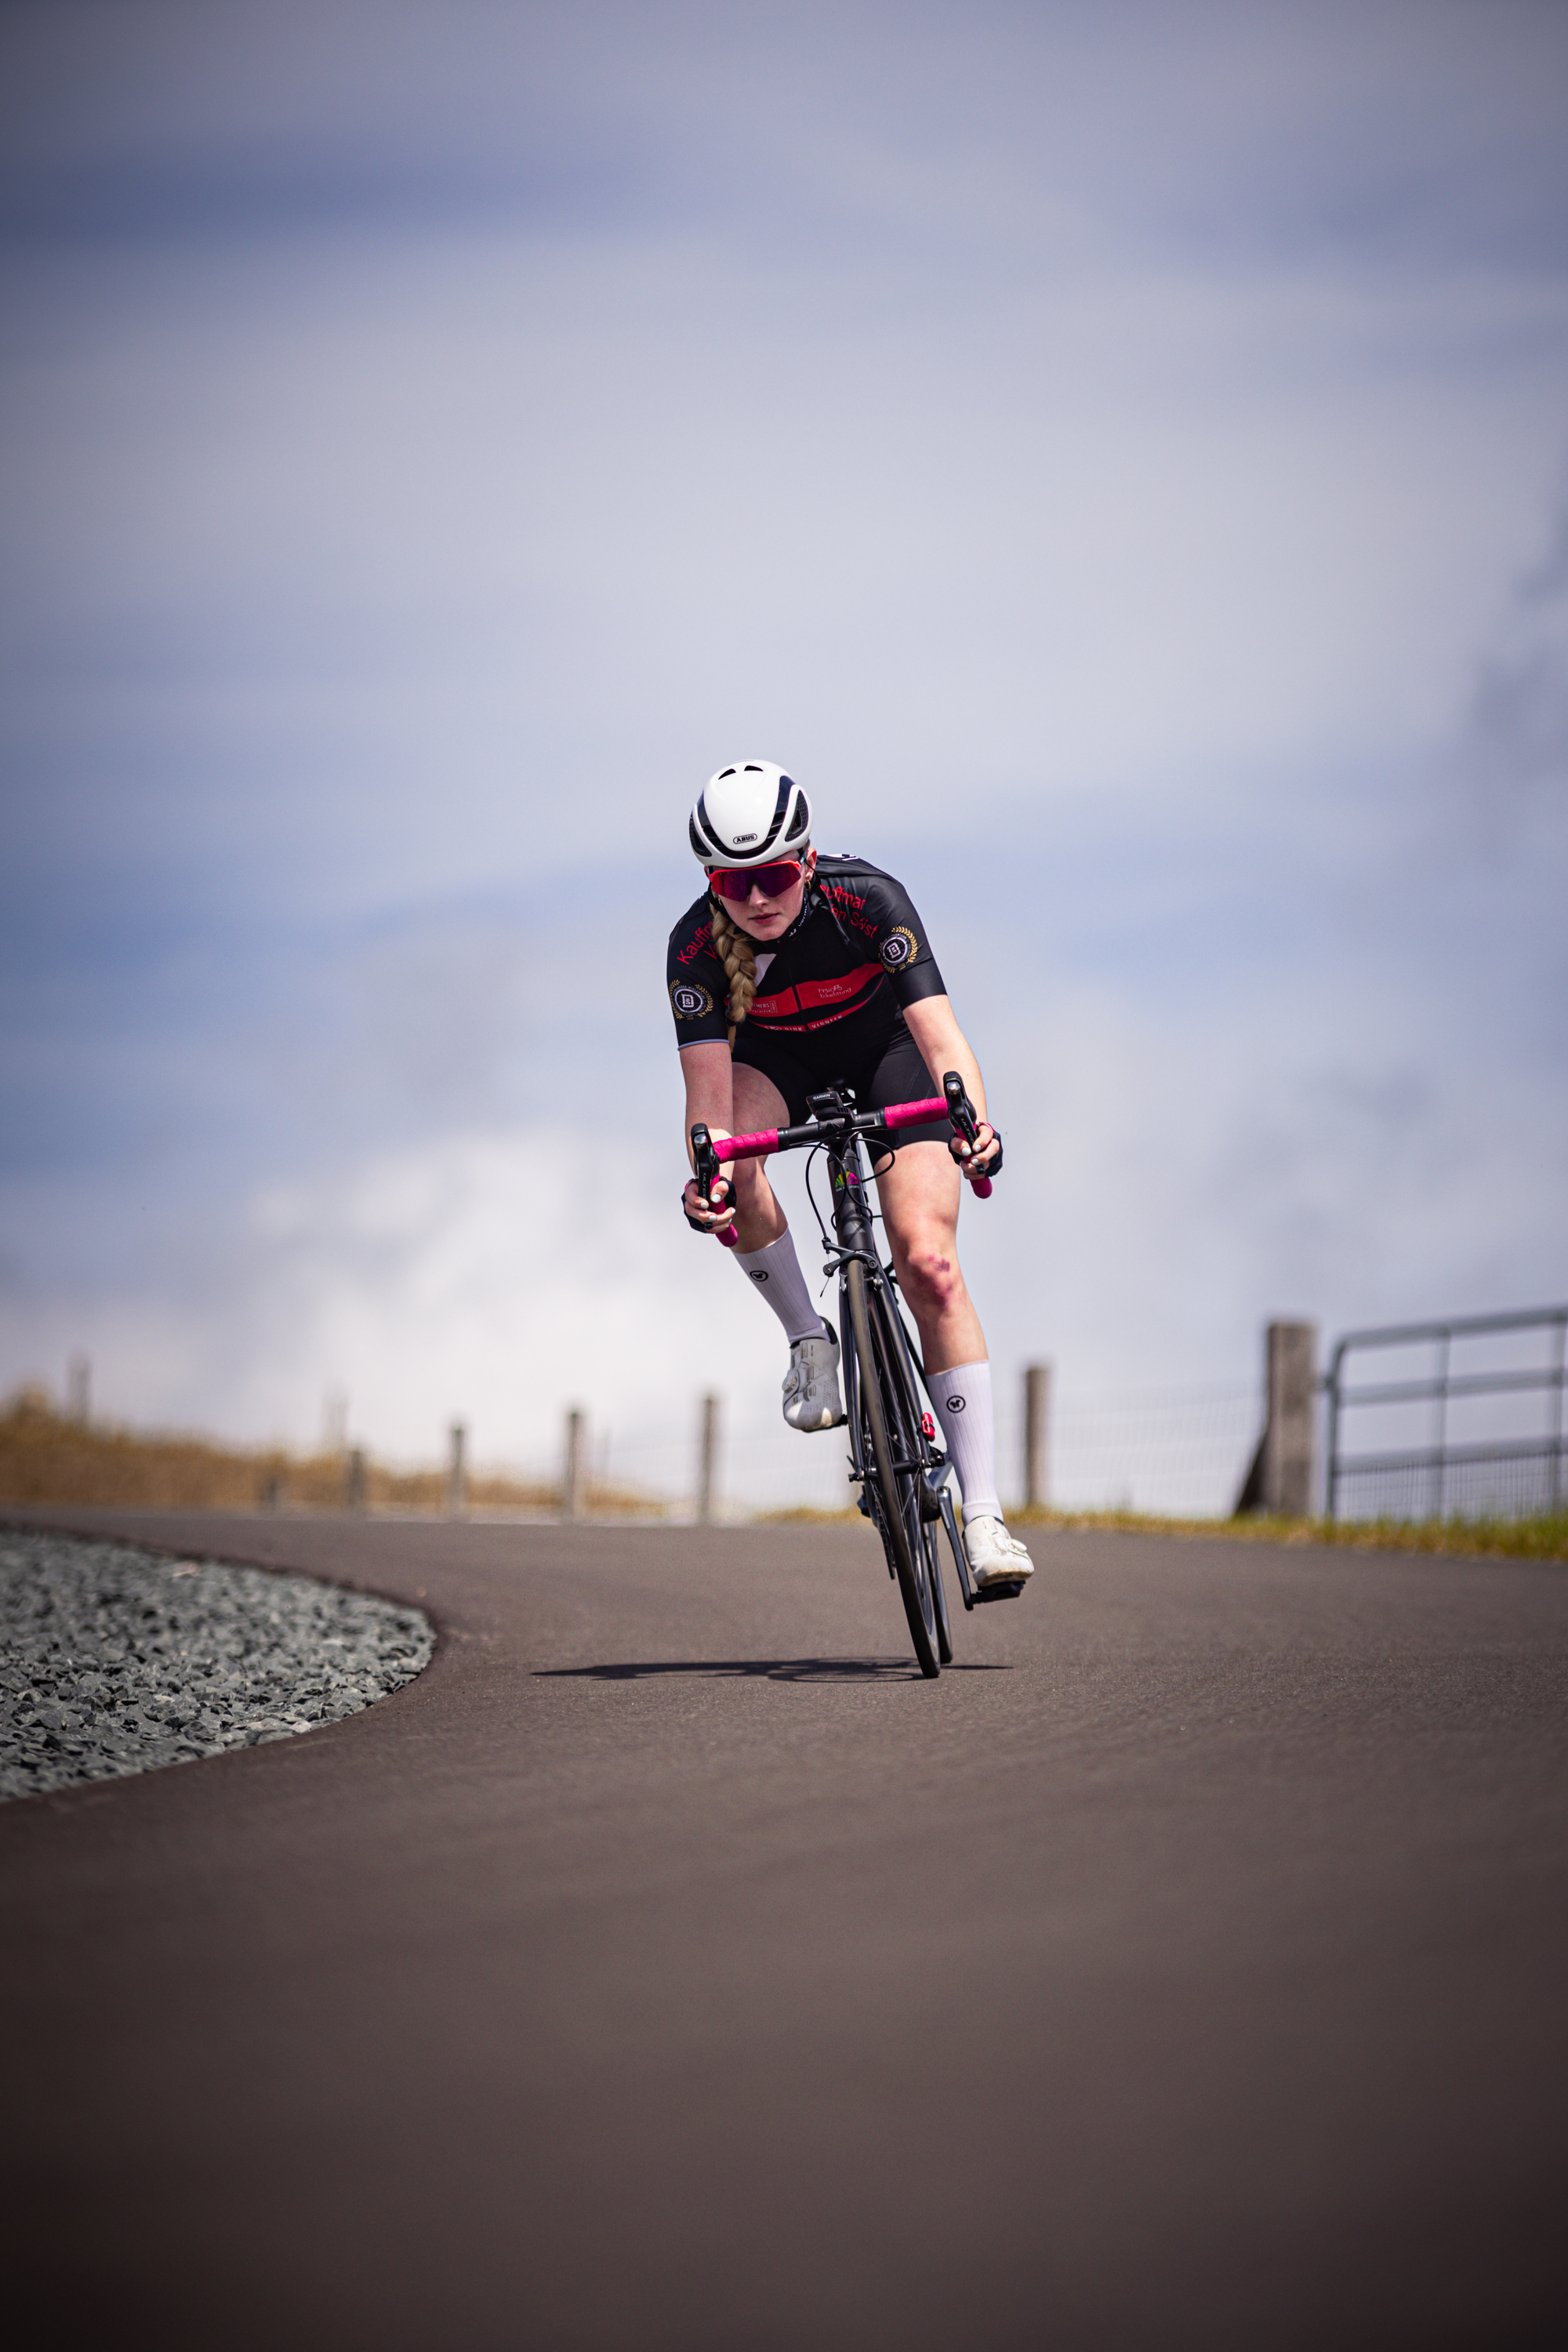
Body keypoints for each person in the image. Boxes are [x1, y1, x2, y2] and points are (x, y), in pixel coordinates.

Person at [670, 759, 1033, 1590]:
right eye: (733, 882)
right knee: (736, 1167)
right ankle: (808, 1336)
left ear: (803, 860)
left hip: (889, 1056)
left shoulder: (867, 899)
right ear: (709, 881)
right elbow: (707, 1101)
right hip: (773, 1063)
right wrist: (708, 1174)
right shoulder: (692, 948)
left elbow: (941, 1040)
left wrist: (974, 1125)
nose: (756, 899)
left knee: (928, 1261)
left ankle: (983, 1517)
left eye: (773, 876)